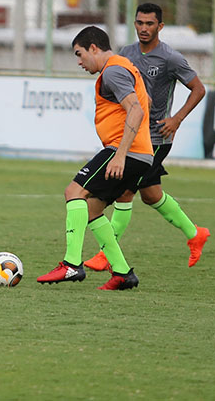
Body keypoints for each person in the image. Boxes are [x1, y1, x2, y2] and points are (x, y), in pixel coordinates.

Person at [83, 3, 209, 272]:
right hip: (130, 136)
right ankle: (195, 234)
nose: (143, 28)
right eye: (139, 23)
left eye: (149, 24)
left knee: (125, 191)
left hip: (155, 138)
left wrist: (176, 119)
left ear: (159, 27)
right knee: (151, 195)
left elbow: (198, 89)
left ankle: (107, 255)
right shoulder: (126, 53)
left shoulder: (170, 58)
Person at [37, 25, 152, 291]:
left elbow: (135, 110)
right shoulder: (121, 67)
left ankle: (71, 265)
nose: (79, 62)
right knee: (92, 210)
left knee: (73, 191)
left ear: (93, 47)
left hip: (126, 151)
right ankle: (123, 274)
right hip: (139, 153)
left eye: (79, 54)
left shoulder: (112, 71)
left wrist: (120, 154)